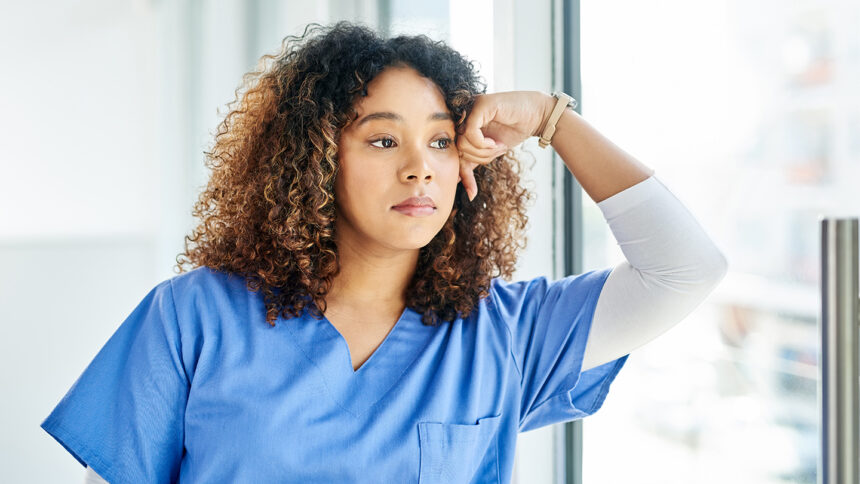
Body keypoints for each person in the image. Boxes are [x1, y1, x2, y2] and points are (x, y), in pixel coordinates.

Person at [41, 21, 727, 483]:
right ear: (312, 159)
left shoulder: (508, 334)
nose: (420, 168)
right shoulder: (193, 317)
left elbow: (685, 269)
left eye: (438, 140)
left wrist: (553, 119)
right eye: (381, 139)